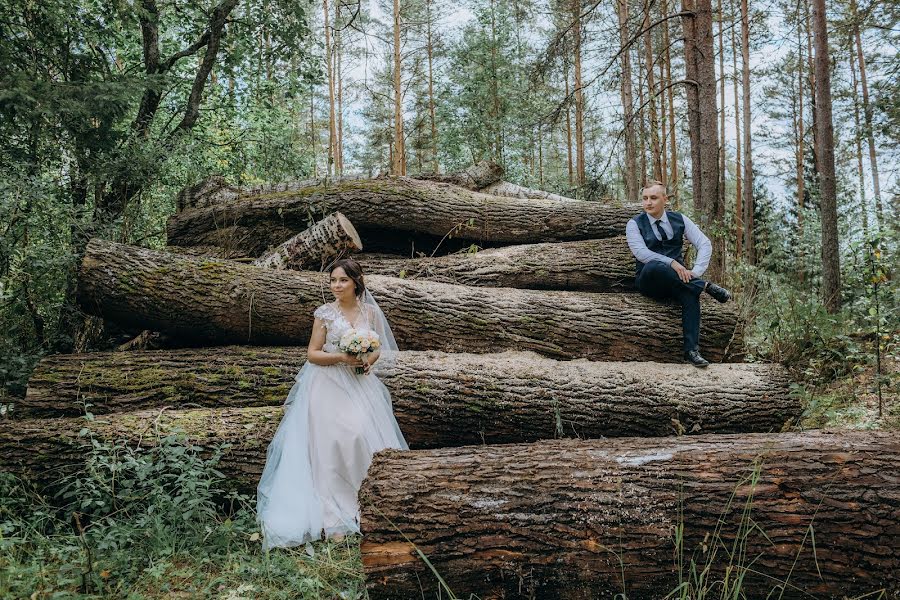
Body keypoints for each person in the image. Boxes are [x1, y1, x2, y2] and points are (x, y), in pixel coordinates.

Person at [256, 258, 408, 549]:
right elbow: (312, 354)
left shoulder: (371, 313)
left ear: (356, 282)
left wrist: (366, 362)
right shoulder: (325, 314)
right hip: (327, 384)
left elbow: (376, 349)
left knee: (362, 436)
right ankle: (334, 518)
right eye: (333, 281)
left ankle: (367, 507)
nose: (336, 286)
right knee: (333, 443)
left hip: (360, 384)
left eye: (342, 280)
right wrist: (341, 357)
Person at [625, 181, 732, 367]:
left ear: (665, 199)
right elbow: (641, 254)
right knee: (654, 265)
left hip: (678, 283)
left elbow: (704, 243)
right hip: (650, 281)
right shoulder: (634, 224)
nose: (648, 203)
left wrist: (696, 271)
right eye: (645, 198)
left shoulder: (679, 219)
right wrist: (672, 262)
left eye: (653, 198)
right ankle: (705, 286)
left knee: (691, 294)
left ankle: (692, 351)